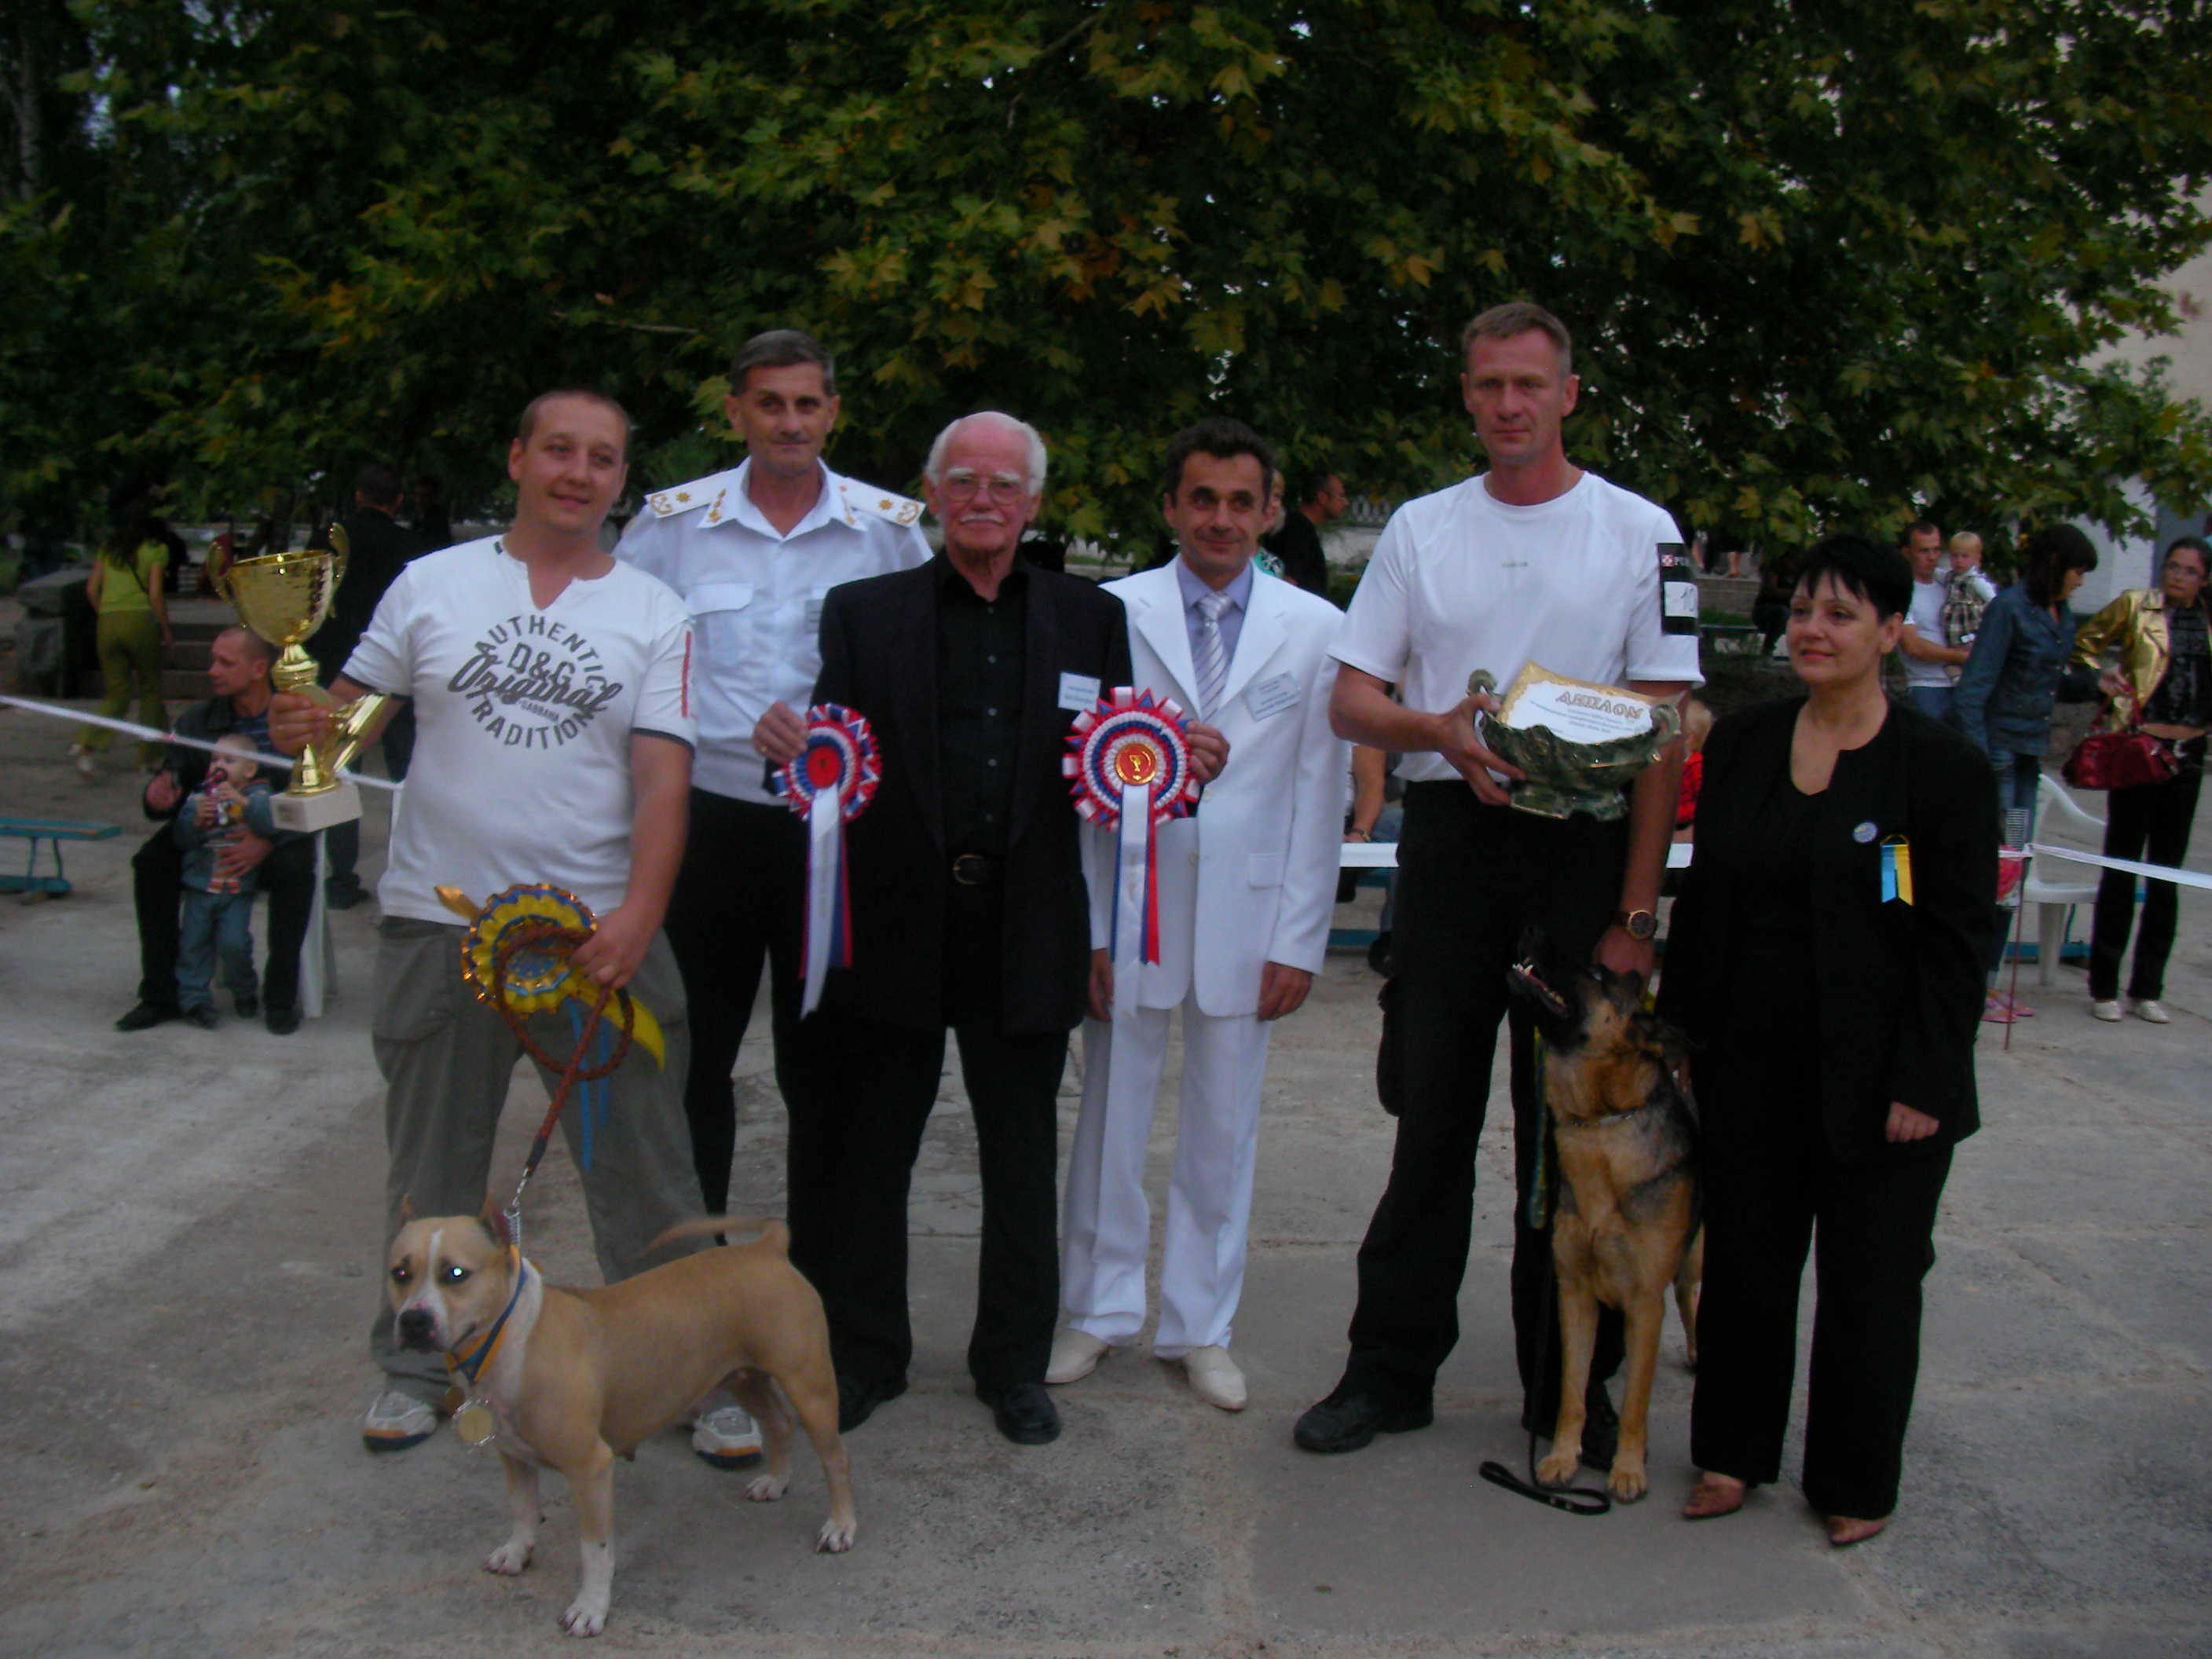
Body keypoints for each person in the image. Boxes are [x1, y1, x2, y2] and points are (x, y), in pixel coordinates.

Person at [1294, 301, 1700, 1461]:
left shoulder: (1641, 531)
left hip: (1581, 853)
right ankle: (1388, 1370)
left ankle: (1565, 1391)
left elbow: (1662, 734)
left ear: (1567, 394)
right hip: (1453, 843)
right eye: (1487, 385)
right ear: (1467, 396)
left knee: (1564, 1140)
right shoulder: (1422, 528)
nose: (1507, 405)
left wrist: (1635, 915)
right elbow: (1350, 699)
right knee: (1430, 1122)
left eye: (1527, 383)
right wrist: (1437, 727)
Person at [270, 389, 709, 1455]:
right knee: (433, 1173)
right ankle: (417, 1370)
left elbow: (663, 781)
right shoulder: (432, 584)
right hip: (440, 928)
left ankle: (688, 1376)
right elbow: (352, 719)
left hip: (596, 942)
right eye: (559, 449)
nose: (578, 473)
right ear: (517, 458)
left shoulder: (655, 611)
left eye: (601, 458)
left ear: (620, 480)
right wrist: (304, 721)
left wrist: (640, 915)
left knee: (648, 1175)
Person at [799, 411, 1163, 1447]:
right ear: (932, 493)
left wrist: (1179, 772)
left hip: (1028, 923)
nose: (983, 500)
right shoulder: (862, 615)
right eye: (962, 481)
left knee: (1020, 1158)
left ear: (1033, 502)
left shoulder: (1089, 618)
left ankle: (1011, 1366)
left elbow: (1120, 771)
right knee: (875, 1154)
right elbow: (831, 770)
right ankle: (867, 1355)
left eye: (1004, 485)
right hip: (897, 920)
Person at [1659, 533, 1997, 1546]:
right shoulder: (1746, 744)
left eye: (1840, 614)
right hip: (1748, 1061)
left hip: (1883, 1075)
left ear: (1890, 631)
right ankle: (1730, 1452)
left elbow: (1954, 938)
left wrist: (1923, 1080)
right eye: (1803, 609)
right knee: (1746, 1266)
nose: (1812, 629)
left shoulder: (1937, 768)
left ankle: (1854, 1479)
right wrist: (1683, 1032)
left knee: (1870, 1285)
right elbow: (1707, 899)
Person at [1050, 419, 1346, 1413]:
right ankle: (1095, 1308)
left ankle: (1200, 1326)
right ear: (1171, 507)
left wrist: (1298, 939)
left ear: (1271, 512)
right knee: (1109, 1120)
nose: (1220, 519)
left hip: (1249, 914)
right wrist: (1091, 928)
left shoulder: (1313, 626)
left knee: (1223, 1131)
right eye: (1201, 499)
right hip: (1130, 901)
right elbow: (1081, 785)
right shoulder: (1111, 611)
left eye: (1240, 502)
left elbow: (1317, 791)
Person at [616, 329, 929, 1222]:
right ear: (735, 412)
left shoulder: (888, 533)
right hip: (704, 825)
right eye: (769, 404)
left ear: (832, 412)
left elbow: (917, 670)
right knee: (690, 1057)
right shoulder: (673, 527)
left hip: (833, 835)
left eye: (806, 404)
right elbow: (624, 653)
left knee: (824, 1063)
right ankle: (689, 1269)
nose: (789, 422)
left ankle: (817, 1273)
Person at [115, 627, 317, 1036]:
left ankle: (279, 998)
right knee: (152, 862)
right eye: (213, 660)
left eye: (225, 663)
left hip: (274, 833)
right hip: (209, 837)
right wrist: (160, 796)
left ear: (258, 669)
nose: (212, 671)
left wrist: (267, 841)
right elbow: (174, 780)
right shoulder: (199, 721)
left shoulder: (295, 722)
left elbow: (319, 800)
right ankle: (161, 994)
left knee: (295, 870)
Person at [1953, 524, 2100, 1023]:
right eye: (2078, 570)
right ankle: (1969, 984)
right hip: (1999, 760)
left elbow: (2054, 684)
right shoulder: (2009, 609)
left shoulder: (2063, 615)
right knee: (1990, 873)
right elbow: (1973, 691)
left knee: (2012, 877)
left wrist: (2100, 685)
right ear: (2056, 565)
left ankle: (1990, 981)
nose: (2081, 581)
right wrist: (1983, 762)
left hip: (2028, 760)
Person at [2071, 535, 2211, 1024]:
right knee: (2122, 865)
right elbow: (2083, 645)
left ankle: (2148, 987)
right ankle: (2104, 985)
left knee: (2167, 875)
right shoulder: (2137, 605)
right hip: (2140, 747)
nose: (2178, 577)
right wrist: (2106, 679)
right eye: (2173, 566)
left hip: (2188, 752)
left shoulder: (2207, 619)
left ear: (2205, 579)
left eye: (2190, 571)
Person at [314, 461, 429, 910]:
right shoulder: (412, 547)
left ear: (358, 495)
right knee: (407, 774)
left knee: (341, 770)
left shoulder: (327, 540)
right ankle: (409, 872)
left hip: (337, 666)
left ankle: (340, 876)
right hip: (401, 672)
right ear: (398, 500)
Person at [171, 734, 279, 1027]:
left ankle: (243, 989)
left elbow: (270, 825)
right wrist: (194, 820)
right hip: (201, 886)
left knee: (235, 944)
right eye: (215, 759)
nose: (219, 766)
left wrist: (242, 802)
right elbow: (182, 840)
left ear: (250, 770)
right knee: (193, 944)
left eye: (229, 761)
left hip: (236, 889)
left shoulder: (259, 796)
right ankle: (194, 1000)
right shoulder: (200, 797)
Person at [71, 500, 173, 775]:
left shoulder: (108, 549)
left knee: (116, 693)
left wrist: (106, 613)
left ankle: (87, 741)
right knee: (150, 690)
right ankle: (149, 757)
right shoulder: (157, 549)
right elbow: (155, 594)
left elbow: (91, 589)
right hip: (140, 622)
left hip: (107, 622)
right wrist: (165, 629)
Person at [1895, 521, 1968, 722]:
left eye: (1936, 550)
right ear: (1907, 552)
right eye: (1924, 551)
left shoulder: (1948, 582)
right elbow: (1912, 645)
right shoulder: (1902, 591)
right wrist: (1960, 657)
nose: (1932, 557)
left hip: (1963, 684)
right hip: (1927, 687)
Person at [1264, 470, 1350, 601]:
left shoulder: (1299, 526)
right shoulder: (1298, 528)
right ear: (1322, 498)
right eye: (1341, 496)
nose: (1346, 503)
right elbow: (1289, 581)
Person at [1940, 531, 1995, 672]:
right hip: (1954, 633)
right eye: (1955, 556)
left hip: (1970, 632)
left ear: (1977, 558)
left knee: (1972, 665)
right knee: (1952, 666)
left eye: (1965, 556)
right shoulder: (1950, 577)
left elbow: (1995, 602)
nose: (1959, 561)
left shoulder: (1976, 581)